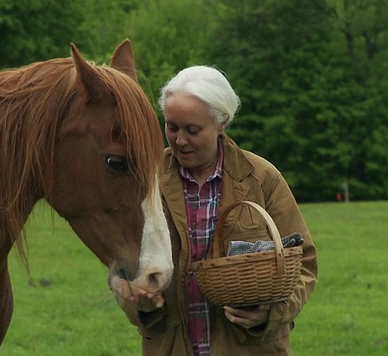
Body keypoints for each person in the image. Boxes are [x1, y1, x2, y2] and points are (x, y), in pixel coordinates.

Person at [112, 65, 318, 355]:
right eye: (171, 127)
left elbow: (304, 263)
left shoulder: (263, 179)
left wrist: (270, 313)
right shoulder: (146, 182)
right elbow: (121, 264)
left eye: (192, 130)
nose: (180, 140)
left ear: (222, 122)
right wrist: (139, 304)